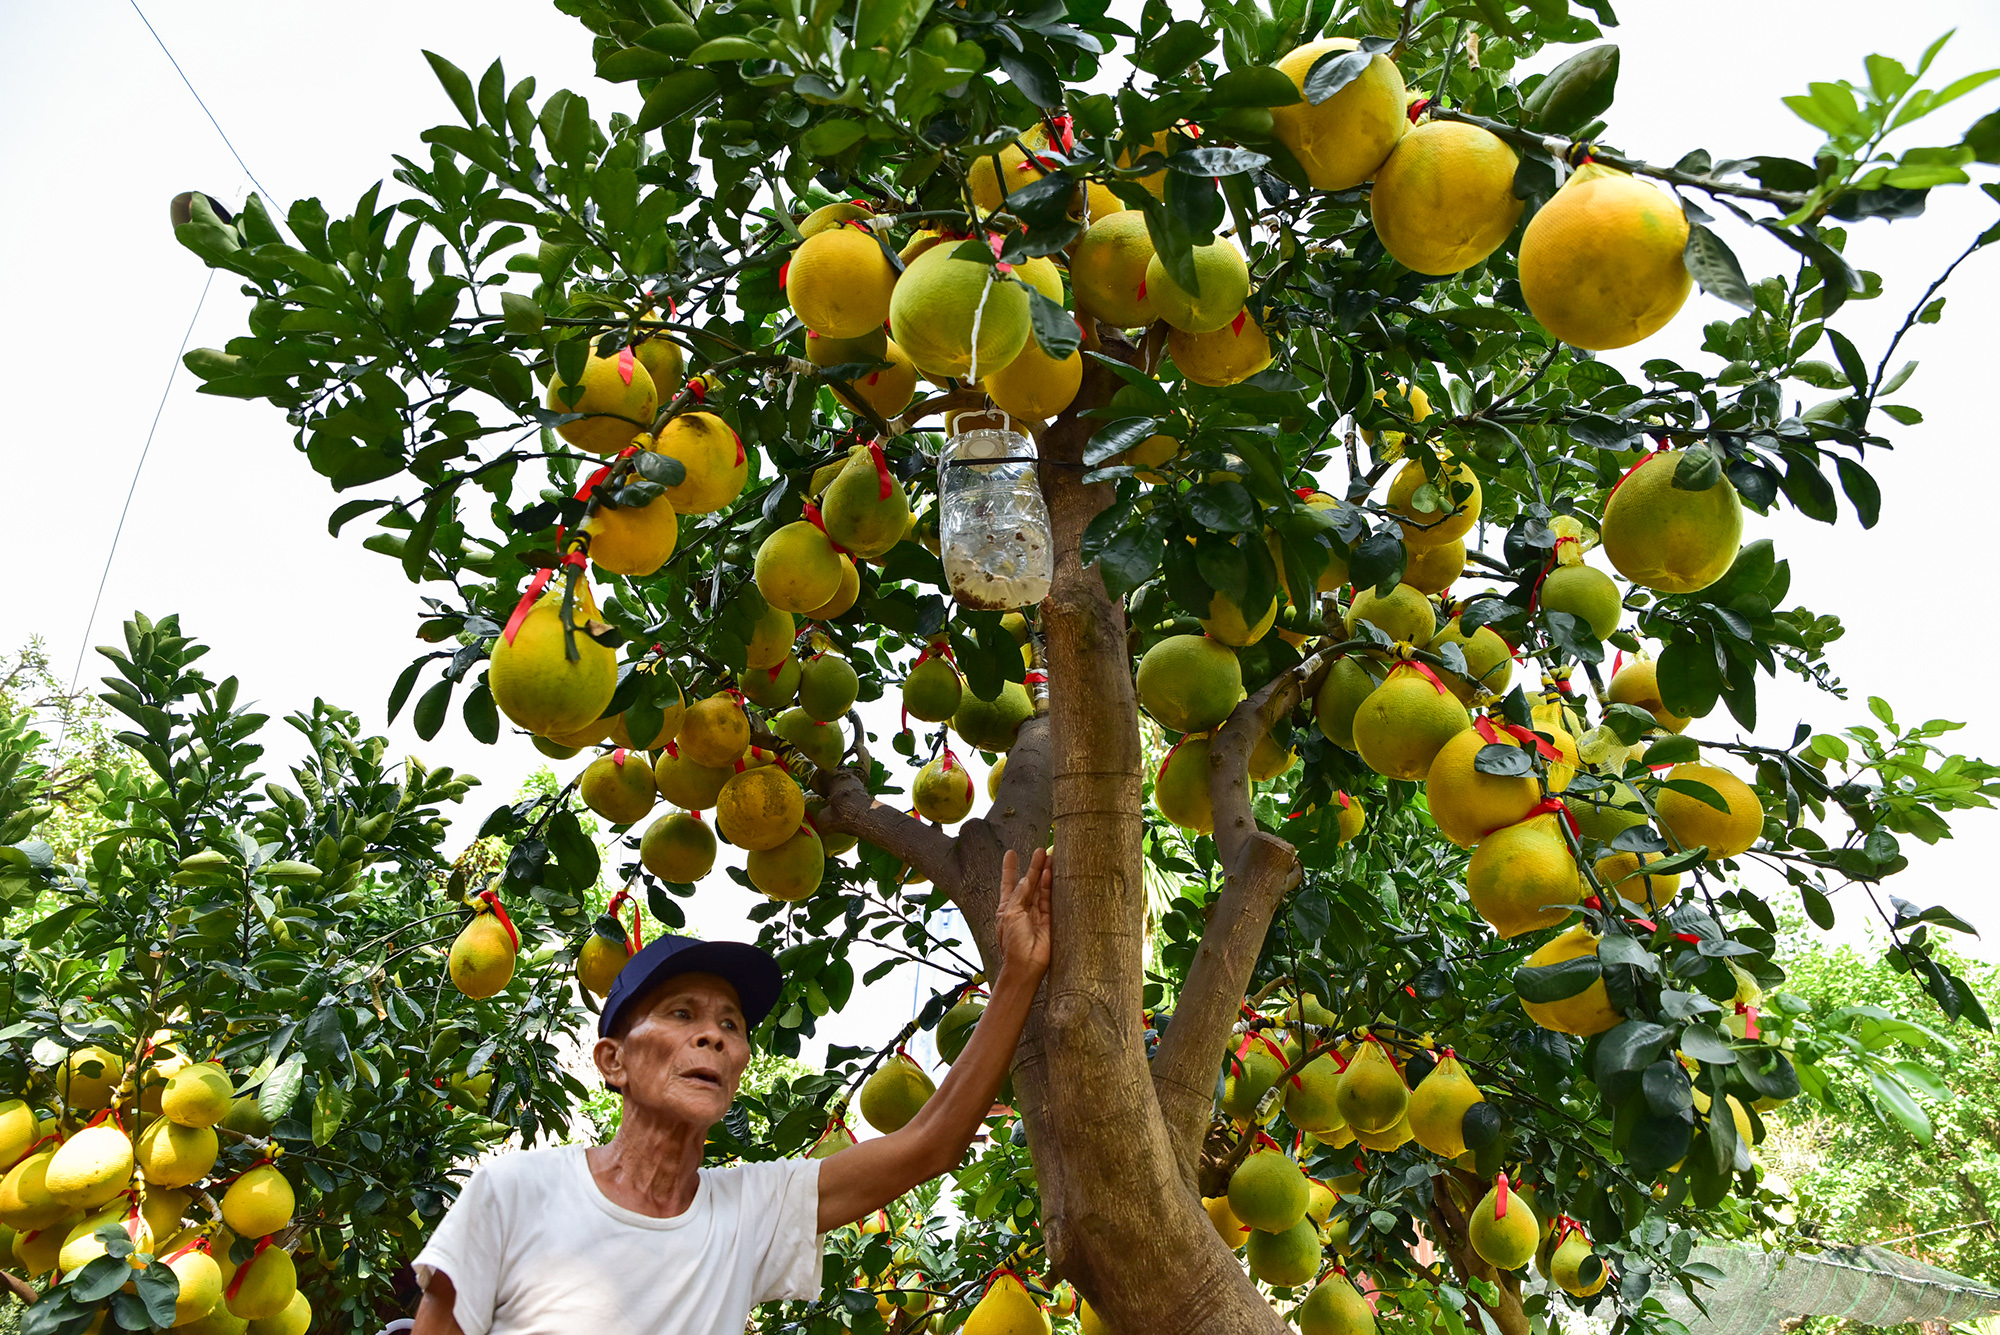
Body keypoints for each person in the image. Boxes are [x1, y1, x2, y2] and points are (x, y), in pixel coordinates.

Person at [411, 848, 1053, 1335]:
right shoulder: (513, 1193)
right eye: (682, 1014)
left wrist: (1019, 975)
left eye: (730, 1024)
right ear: (613, 1061)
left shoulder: (749, 1211)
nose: (713, 1038)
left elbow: (927, 1145)